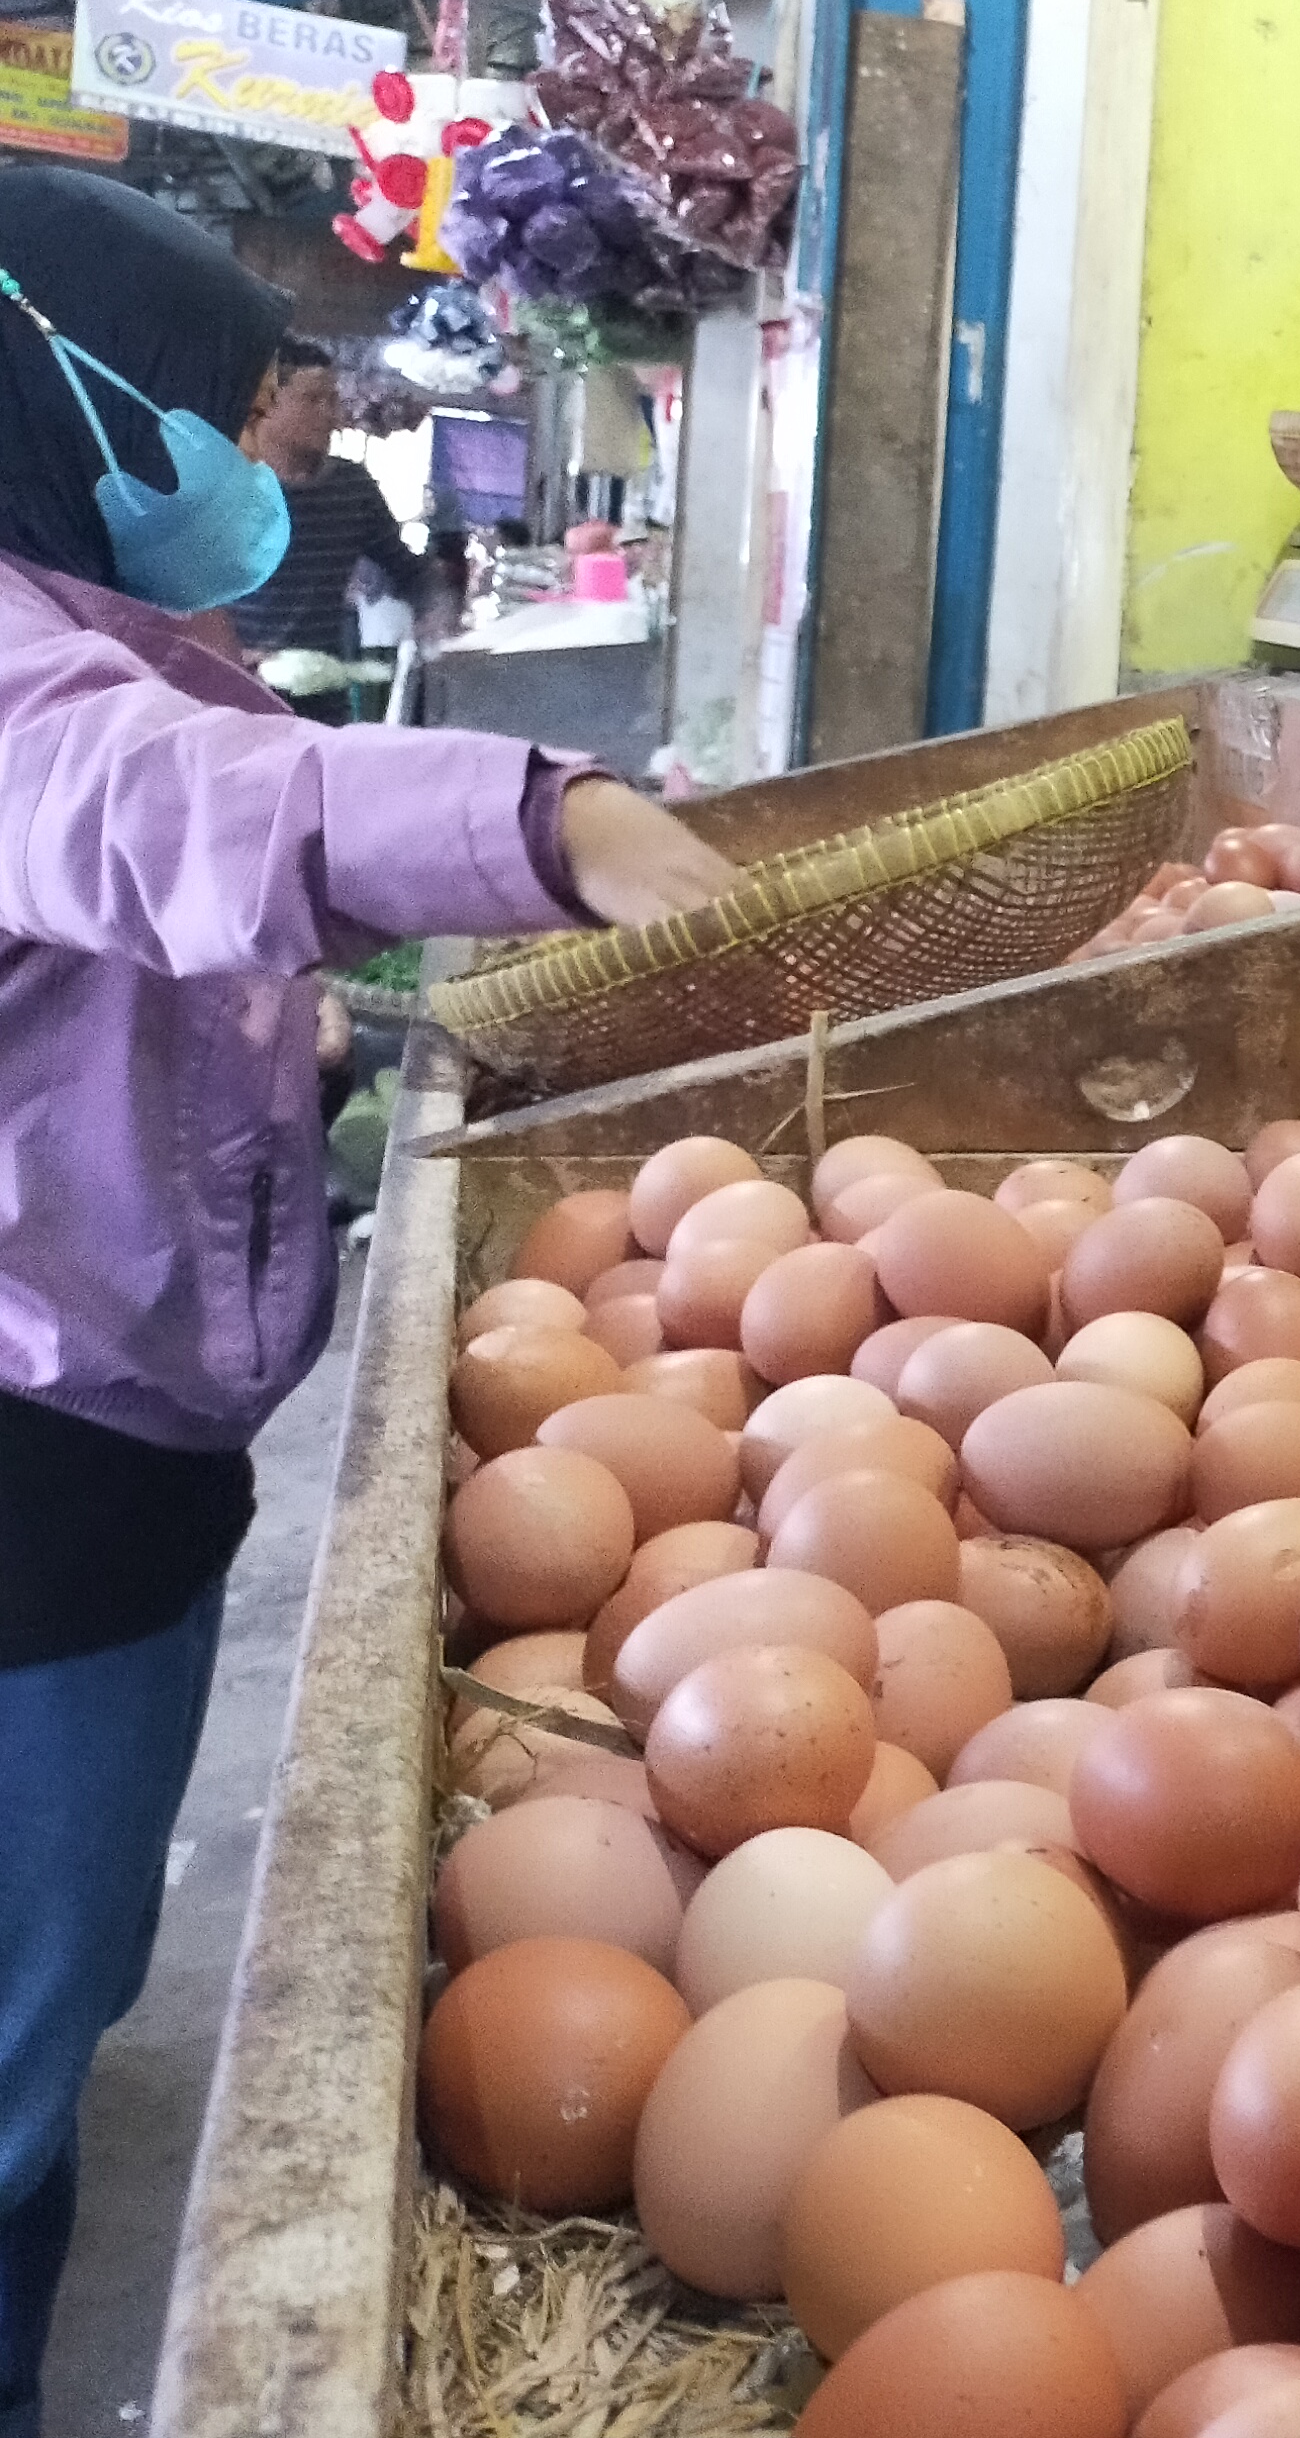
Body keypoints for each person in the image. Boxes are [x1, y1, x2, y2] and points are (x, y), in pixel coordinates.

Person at [0, 170, 738, 2438]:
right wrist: (554, 817)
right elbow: (160, 811)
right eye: (219, 409)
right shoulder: (41, 678)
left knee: (66, 1954)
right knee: (24, 2006)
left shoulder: (96, 623)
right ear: (59, 404)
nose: (261, 453)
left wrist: (286, 1040)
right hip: (37, 1457)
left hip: (119, 1428)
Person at [227, 339, 448, 677]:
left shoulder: (351, 486)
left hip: (324, 692)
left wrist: (434, 612)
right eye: (313, 400)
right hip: (232, 689)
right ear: (266, 404)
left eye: (333, 400)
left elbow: (410, 571)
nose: (332, 416)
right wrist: (226, 654)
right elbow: (179, 596)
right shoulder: (229, 485)